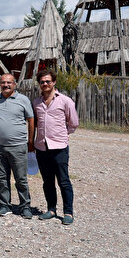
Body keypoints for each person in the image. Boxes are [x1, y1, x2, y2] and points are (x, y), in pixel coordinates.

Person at [32, 69, 79, 225]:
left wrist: (63, 135)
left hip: (59, 147)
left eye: (48, 81)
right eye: (42, 82)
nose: (45, 84)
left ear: (54, 82)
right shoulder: (36, 102)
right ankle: (51, 209)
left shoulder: (65, 101)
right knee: (47, 181)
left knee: (64, 181)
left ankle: (68, 212)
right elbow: (36, 123)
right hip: (41, 147)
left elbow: (74, 123)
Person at [0, 74, 35, 219]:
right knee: (1, 178)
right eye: (3, 83)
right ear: (0, 84)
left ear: (14, 84)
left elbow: (31, 120)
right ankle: (5, 205)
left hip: (18, 146)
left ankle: (25, 206)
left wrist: (31, 142)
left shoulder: (23, 100)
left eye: (9, 82)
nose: (6, 85)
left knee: (21, 179)